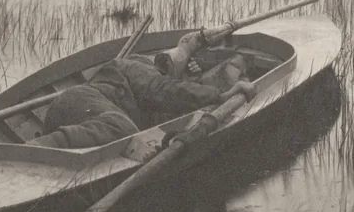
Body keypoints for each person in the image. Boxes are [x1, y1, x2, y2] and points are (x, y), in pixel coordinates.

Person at [36, 31, 255, 149]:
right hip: (78, 102)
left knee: (128, 133)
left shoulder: (157, 102)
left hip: (84, 123)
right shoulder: (136, 65)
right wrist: (220, 95)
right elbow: (164, 89)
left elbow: (171, 101)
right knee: (122, 128)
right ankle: (35, 148)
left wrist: (192, 81)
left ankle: (51, 149)